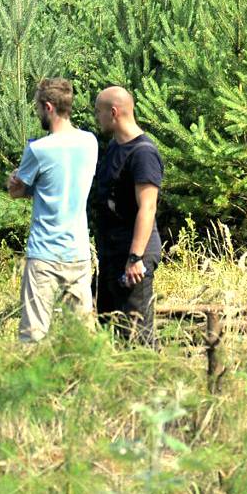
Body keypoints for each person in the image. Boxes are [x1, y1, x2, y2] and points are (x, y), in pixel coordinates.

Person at [6, 77, 99, 343]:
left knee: (33, 336)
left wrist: (14, 179)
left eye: (38, 108)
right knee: (82, 337)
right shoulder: (90, 143)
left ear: (48, 107)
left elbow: (16, 190)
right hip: (78, 253)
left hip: (44, 254)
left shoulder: (38, 149)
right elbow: (59, 184)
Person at [92, 86, 163, 347]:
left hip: (133, 256)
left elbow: (147, 207)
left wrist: (135, 258)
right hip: (111, 254)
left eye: (98, 112)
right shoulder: (114, 148)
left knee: (137, 333)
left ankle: (150, 382)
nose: (96, 118)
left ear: (113, 112)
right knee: (109, 329)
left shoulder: (143, 152)